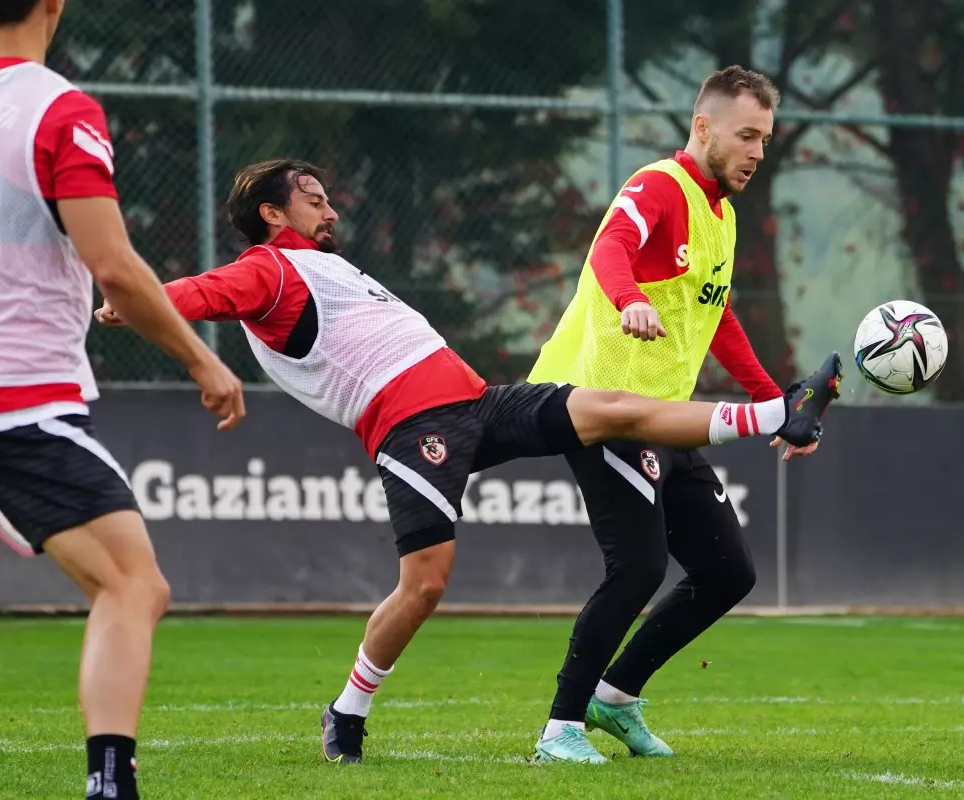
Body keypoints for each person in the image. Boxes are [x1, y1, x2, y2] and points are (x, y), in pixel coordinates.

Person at [95, 157, 842, 765]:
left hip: (478, 401)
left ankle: (783, 411)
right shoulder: (271, 269)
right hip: (415, 428)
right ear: (272, 214)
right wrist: (140, 299)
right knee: (424, 586)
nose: (330, 211)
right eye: (314, 200)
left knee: (611, 407)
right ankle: (348, 709)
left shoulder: (330, 268)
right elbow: (207, 292)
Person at [525, 65, 820, 763]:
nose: (755, 151)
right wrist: (628, 298)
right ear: (702, 127)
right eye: (746, 134)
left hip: (660, 416)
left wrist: (774, 405)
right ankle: (560, 728)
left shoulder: (723, 216)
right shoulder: (660, 184)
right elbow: (609, 248)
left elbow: (716, 320)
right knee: (637, 566)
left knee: (727, 572)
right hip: (599, 403)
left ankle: (616, 697)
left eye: (765, 140)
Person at [0, 1, 246, 798]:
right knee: (133, 585)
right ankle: (111, 784)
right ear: (53, 4)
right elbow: (116, 269)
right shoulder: (56, 110)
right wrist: (205, 361)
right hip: (19, 399)